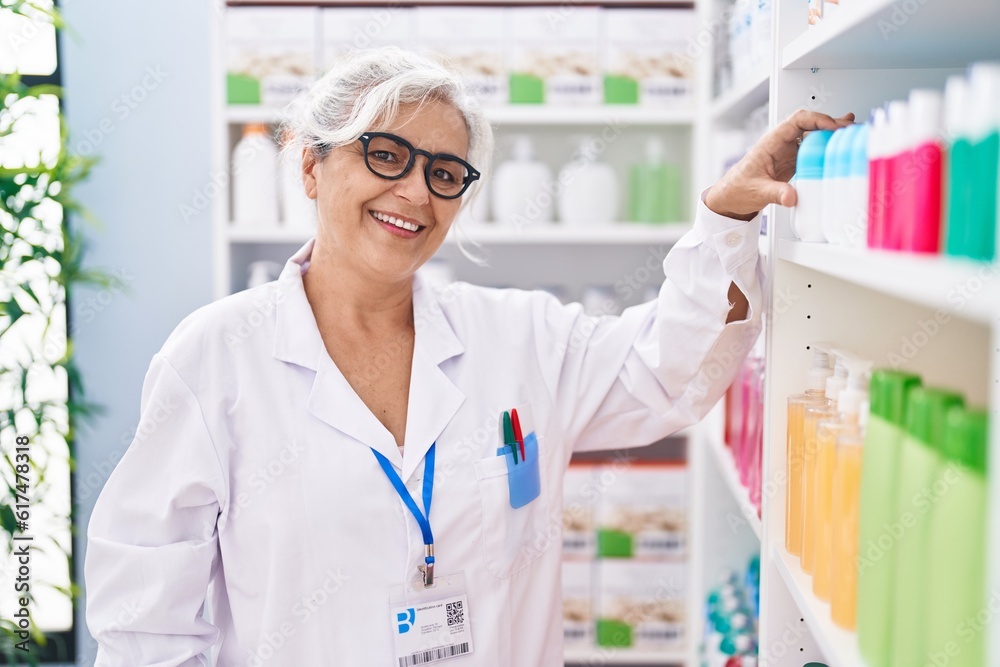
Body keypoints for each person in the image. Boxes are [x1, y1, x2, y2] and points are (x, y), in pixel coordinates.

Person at [85, 47, 853, 666]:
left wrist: (726, 214)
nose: (416, 193)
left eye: (443, 173)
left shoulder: (520, 337)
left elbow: (664, 371)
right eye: (385, 153)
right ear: (312, 165)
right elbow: (146, 620)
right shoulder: (215, 359)